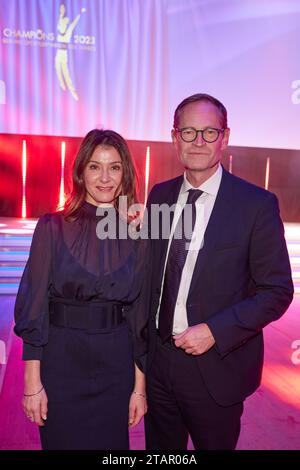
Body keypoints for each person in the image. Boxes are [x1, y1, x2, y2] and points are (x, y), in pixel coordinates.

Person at [144, 93, 294, 450]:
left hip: (216, 368)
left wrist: (214, 330)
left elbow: (276, 291)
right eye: (189, 131)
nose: (198, 142)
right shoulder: (159, 196)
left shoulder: (256, 205)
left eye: (209, 133)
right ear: (174, 136)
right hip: (157, 365)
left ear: (225, 138)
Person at [14, 129, 148, 450]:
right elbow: (35, 305)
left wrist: (139, 388)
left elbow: (139, 315)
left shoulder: (138, 231)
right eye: (94, 166)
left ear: (125, 172)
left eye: (114, 167)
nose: (105, 178)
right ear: (80, 171)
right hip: (62, 363)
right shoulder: (52, 227)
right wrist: (32, 383)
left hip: (116, 366)